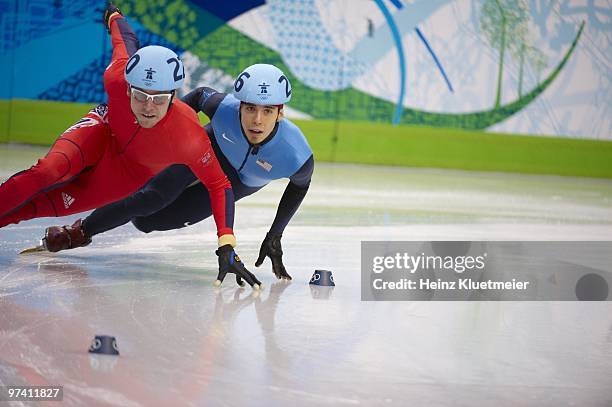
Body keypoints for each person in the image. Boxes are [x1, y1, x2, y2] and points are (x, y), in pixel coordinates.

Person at [1, 4, 261, 288]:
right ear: (126, 88)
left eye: (159, 98)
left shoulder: (190, 137)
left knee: (40, 207)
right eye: (140, 96)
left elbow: (219, 185)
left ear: (174, 96)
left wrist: (226, 242)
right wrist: (114, 15)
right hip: (102, 132)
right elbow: (125, 41)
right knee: (48, 172)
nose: (149, 108)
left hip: (127, 174)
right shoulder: (116, 76)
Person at [39, 63, 314, 281]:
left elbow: (299, 187)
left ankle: (132, 201)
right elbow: (197, 96)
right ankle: (79, 231)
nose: (257, 120)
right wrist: (170, 137)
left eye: (267, 111)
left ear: (280, 114)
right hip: (208, 150)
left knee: (148, 222)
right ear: (239, 105)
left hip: (239, 182)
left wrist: (275, 233)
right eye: (250, 108)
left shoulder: (294, 153)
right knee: (150, 198)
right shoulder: (222, 108)